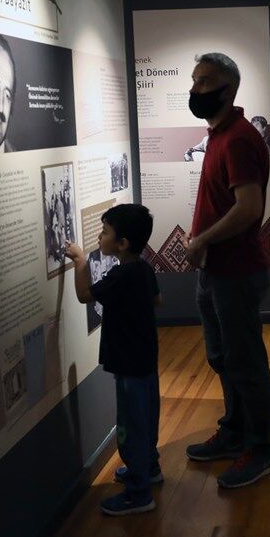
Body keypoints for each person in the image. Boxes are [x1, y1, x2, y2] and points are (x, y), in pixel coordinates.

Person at [182, 52, 270, 489]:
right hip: (217, 271)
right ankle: (236, 431)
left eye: (205, 82)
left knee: (245, 360)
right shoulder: (220, 134)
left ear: (228, 89)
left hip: (235, 272)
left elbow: (249, 209)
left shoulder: (238, 138)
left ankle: (260, 450)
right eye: (195, 81)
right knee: (224, 357)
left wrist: (201, 239)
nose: (196, 89)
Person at [65, 204, 161, 516]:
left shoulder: (123, 274)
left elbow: (84, 295)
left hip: (127, 362)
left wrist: (80, 260)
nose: (99, 236)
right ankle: (149, 468)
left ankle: (138, 492)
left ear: (122, 244)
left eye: (105, 232)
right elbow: (156, 300)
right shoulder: (144, 268)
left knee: (131, 425)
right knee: (146, 415)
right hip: (145, 358)